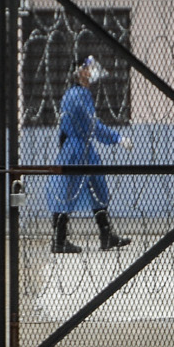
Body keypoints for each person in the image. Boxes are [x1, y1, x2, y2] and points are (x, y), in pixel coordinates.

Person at [46, 55, 134, 253]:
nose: (92, 71)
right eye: (88, 67)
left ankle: (106, 235)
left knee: (97, 187)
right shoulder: (78, 95)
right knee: (67, 191)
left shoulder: (77, 93)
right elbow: (92, 124)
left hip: (80, 148)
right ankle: (59, 241)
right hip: (77, 150)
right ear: (79, 71)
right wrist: (117, 138)